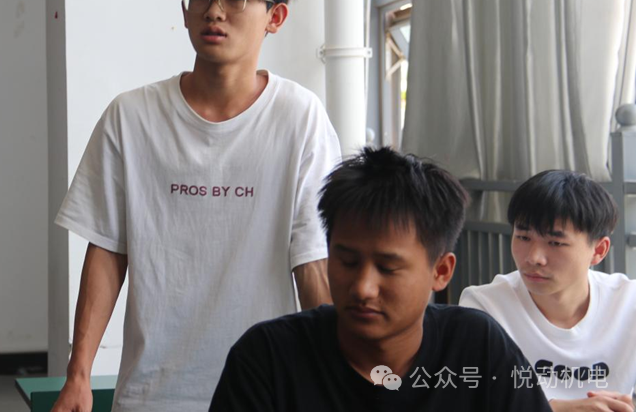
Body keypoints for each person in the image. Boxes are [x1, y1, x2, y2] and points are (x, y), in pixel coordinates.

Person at [51, 0, 341, 412]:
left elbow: (312, 260)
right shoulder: (132, 116)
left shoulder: (299, 117)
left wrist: (336, 381)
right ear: (184, 9)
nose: (214, 11)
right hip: (152, 393)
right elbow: (107, 250)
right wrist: (78, 374)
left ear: (275, 16)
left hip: (263, 390)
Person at [210, 147, 552, 411]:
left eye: (388, 268)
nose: (362, 288)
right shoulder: (268, 359)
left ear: (440, 272)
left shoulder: (479, 350)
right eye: (347, 261)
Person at [460, 170, 636, 412]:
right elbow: (470, 401)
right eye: (523, 237)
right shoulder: (485, 307)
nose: (534, 257)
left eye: (555, 243)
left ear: (598, 250)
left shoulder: (629, 303)